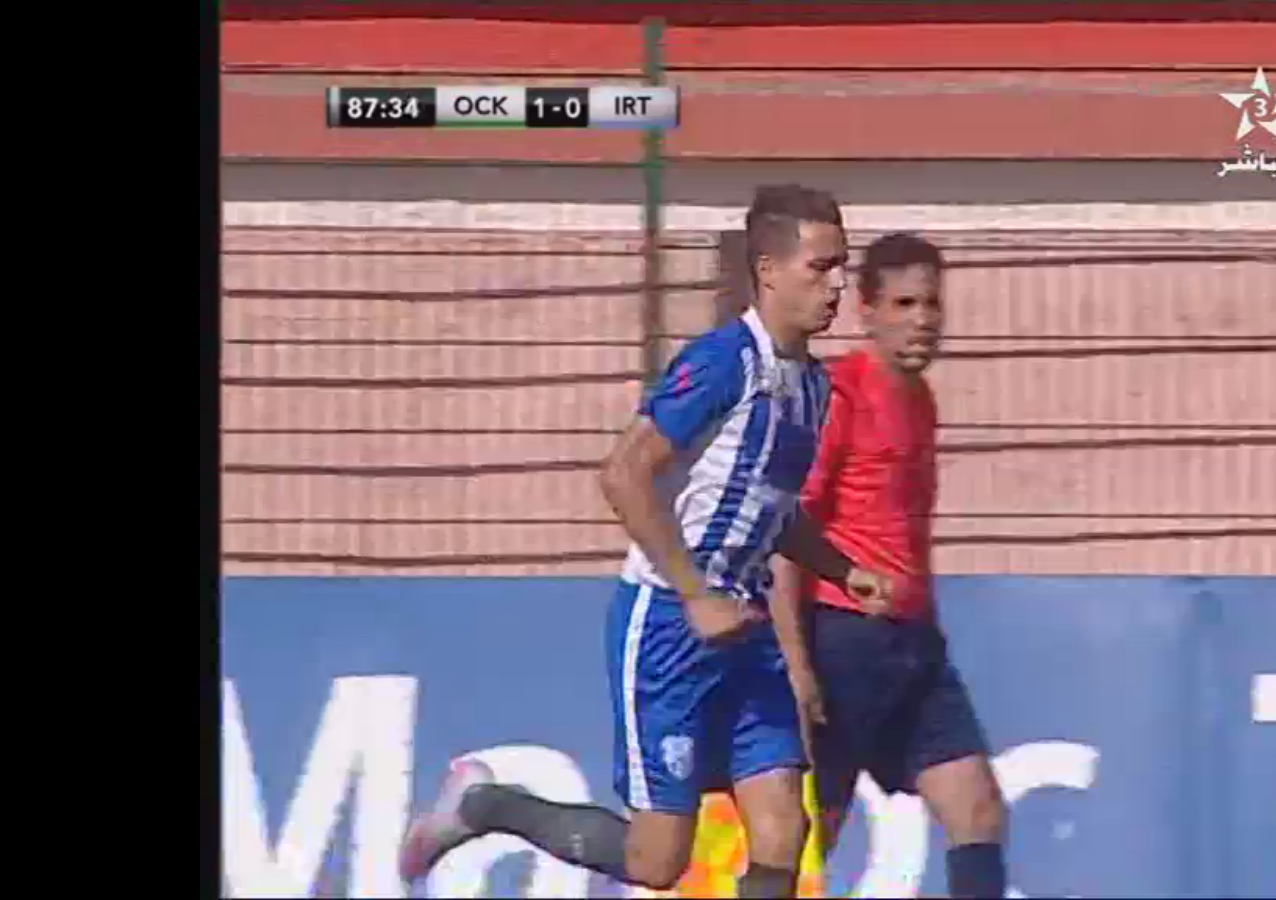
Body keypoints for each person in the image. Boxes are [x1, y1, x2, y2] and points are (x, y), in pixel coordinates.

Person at [397, 184, 895, 899]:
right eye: (821, 267)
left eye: (842, 264)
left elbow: (768, 509)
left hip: (745, 630)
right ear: (768, 270)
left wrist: (842, 569)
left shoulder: (811, 386)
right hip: (668, 624)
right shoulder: (724, 363)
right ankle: (485, 805)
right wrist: (695, 596)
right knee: (658, 862)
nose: (838, 283)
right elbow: (624, 474)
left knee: (785, 829)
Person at [769, 233, 1010, 899]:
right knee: (806, 836)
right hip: (842, 639)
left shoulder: (919, 401)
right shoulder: (837, 395)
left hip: (913, 644)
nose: (923, 319)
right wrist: (795, 663)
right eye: (904, 303)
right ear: (867, 311)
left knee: (978, 809)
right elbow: (788, 532)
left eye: (932, 303)